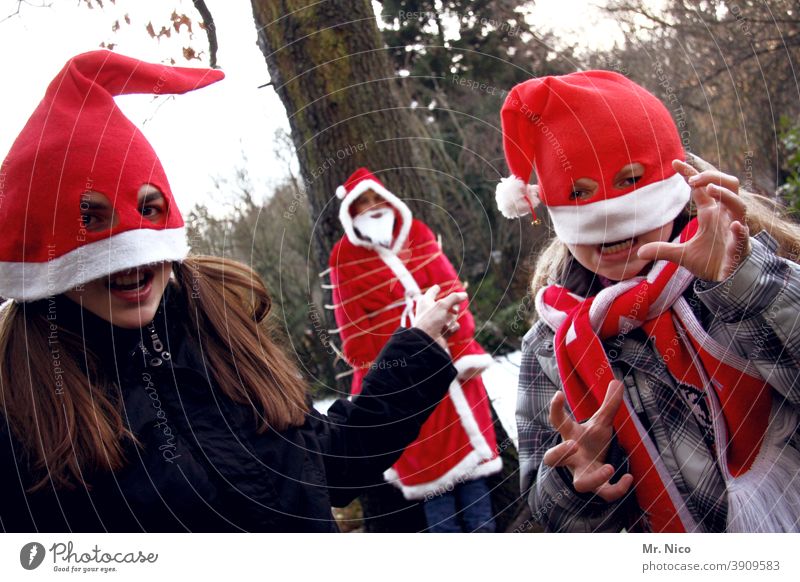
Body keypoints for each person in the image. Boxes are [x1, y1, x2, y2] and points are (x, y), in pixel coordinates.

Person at [0, 50, 467, 532]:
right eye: (90, 219)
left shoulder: (225, 335)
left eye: (149, 208)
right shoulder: (23, 410)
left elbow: (331, 465)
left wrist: (415, 352)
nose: (133, 250)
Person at [495, 70, 800, 532]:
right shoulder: (551, 344)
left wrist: (745, 282)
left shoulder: (745, 262)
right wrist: (577, 481)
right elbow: (543, 526)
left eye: (631, 179)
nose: (610, 216)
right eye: (579, 193)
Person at [326, 167, 501, 532]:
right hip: (406, 384)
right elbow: (355, 340)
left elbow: (454, 291)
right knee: (437, 499)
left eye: (378, 200)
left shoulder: (418, 234)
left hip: (454, 372)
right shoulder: (343, 259)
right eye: (363, 204)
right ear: (349, 214)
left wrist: (449, 329)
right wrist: (408, 341)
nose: (373, 209)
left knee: (477, 491)